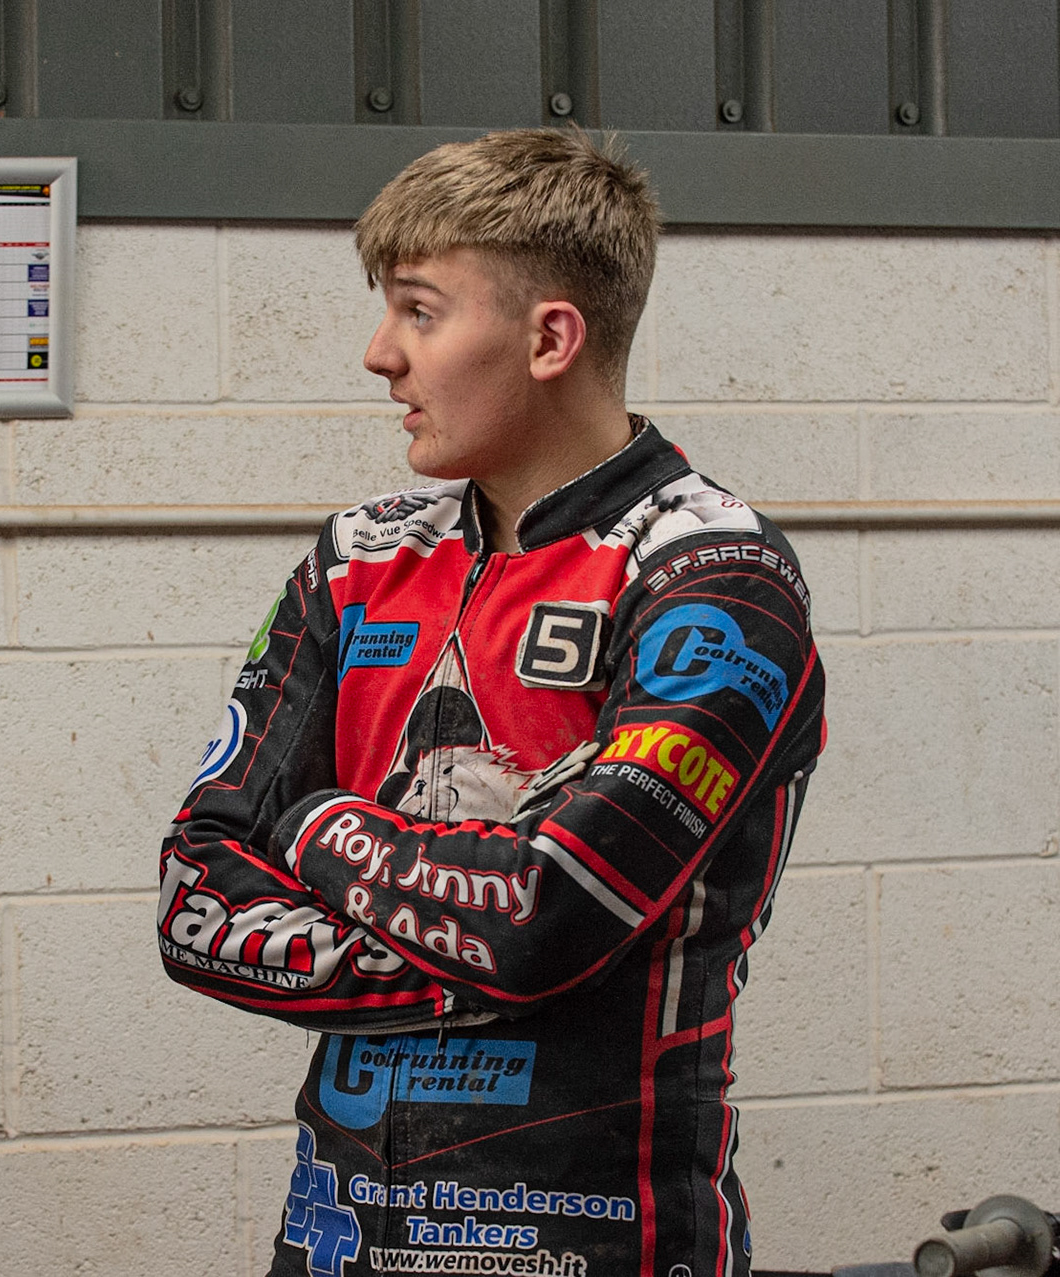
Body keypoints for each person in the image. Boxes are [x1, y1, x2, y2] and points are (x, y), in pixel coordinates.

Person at [158, 128, 824, 1277]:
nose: (380, 354)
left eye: (419, 311)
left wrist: (317, 826)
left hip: (595, 1241)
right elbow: (192, 893)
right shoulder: (360, 557)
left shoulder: (714, 574)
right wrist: (495, 945)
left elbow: (540, 913)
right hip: (336, 1237)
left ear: (550, 337)